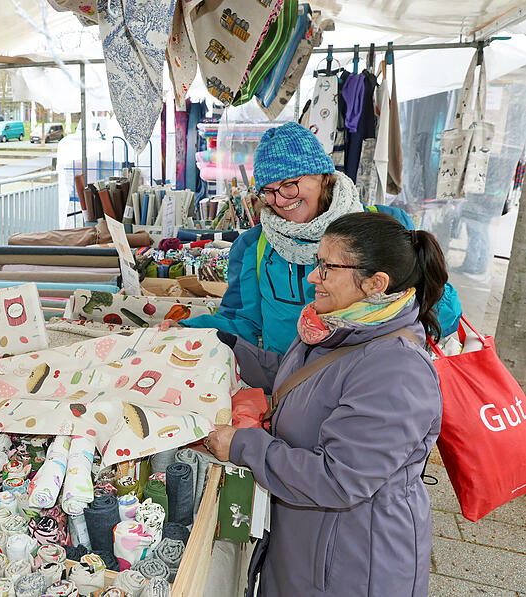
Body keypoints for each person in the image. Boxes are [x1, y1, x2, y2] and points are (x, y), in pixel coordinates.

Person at [204, 211, 444, 597]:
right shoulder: (338, 325)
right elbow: (301, 377)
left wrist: (242, 446)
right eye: (318, 264)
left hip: (350, 562)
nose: (313, 277)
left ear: (375, 284)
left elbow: (338, 478)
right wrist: (226, 348)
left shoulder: (396, 370)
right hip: (309, 544)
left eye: (327, 267)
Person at [175, 122, 461, 354]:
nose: (280, 200)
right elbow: (241, 322)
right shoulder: (254, 246)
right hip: (289, 385)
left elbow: (440, 311)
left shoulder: (384, 224)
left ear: (323, 176)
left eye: (289, 184)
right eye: (268, 190)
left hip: (369, 381)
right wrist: (183, 331)